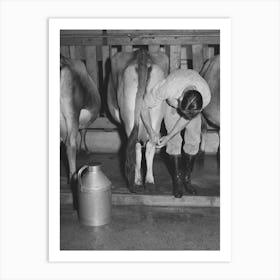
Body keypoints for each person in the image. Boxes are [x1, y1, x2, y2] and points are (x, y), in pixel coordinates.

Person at [141, 68, 211, 198]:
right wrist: (151, 131)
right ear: (181, 97)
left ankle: (186, 178)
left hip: (190, 106)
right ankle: (177, 181)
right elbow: (143, 106)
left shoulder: (206, 95)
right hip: (172, 105)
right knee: (174, 143)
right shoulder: (167, 87)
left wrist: (169, 135)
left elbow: (187, 118)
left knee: (194, 139)